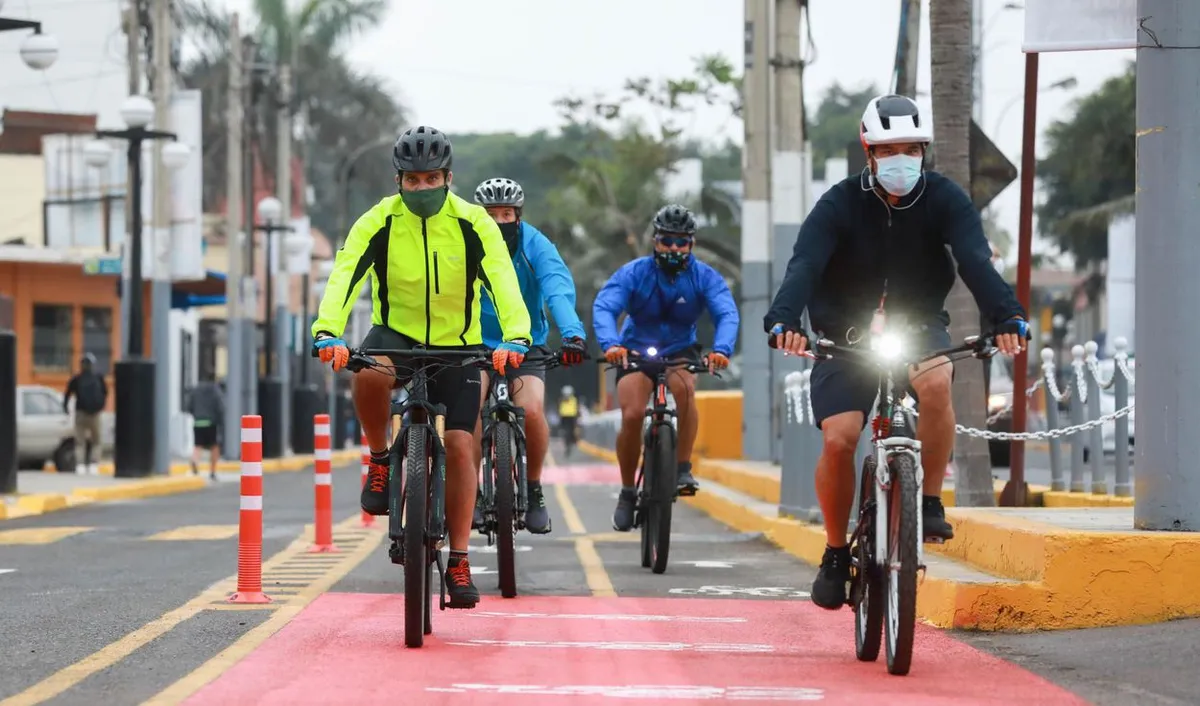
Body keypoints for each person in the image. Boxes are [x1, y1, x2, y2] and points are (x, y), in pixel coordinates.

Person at [763, 94, 1030, 611]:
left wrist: (1007, 316)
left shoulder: (946, 199)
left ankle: (927, 499)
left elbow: (975, 260)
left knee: (934, 384)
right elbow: (804, 267)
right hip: (844, 334)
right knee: (840, 438)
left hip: (918, 322)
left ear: (924, 150)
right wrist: (783, 320)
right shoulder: (838, 204)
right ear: (869, 152)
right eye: (889, 149)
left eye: (911, 148)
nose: (901, 159)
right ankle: (836, 551)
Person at [311, 126, 532, 610]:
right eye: (413, 180)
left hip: (459, 343)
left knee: (459, 443)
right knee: (368, 373)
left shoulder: (475, 224)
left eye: (432, 178)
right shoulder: (377, 221)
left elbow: (502, 280)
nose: (422, 188)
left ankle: (458, 558)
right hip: (397, 335)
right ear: (399, 181)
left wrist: (516, 336)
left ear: (448, 178)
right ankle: (378, 459)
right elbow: (345, 273)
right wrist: (328, 331)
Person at [593, 204, 739, 532]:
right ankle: (628, 491)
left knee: (685, 391)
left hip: (679, 350)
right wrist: (611, 345)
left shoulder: (705, 277)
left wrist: (721, 350)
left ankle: (683, 466)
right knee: (631, 415)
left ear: (691, 244)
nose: (674, 248)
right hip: (632, 350)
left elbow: (726, 313)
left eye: (681, 242)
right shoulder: (634, 273)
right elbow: (605, 305)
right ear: (655, 241)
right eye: (667, 241)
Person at [470, 177, 587, 535]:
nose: (499, 222)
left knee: (533, 409)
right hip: (474, 341)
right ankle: (471, 491)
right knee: (468, 407)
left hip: (526, 342)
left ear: (518, 216)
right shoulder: (464, 241)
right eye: (491, 215)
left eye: (507, 214)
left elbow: (556, 288)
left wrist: (572, 333)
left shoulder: (536, 244)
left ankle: (534, 487)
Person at [63, 352, 106, 475]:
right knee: (96, 440)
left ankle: (80, 465)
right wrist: (100, 406)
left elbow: (67, 394)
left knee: (80, 441)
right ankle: (93, 465)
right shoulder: (98, 377)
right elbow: (105, 392)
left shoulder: (77, 379)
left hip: (80, 413)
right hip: (95, 414)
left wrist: (65, 408)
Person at [188, 377, 225, 481]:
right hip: (211, 422)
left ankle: (195, 461)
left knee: (198, 446)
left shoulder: (195, 390)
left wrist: (195, 415)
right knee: (214, 446)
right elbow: (220, 407)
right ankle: (212, 471)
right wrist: (220, 421)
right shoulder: (215, 391)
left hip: (198, 422)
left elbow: (189, 406)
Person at [557, 385, 580, 456]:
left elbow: (576, 408)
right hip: (564, 418)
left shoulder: (574, 400)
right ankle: (566, 440)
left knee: (573, 430)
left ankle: (574, 440)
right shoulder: (561, 400)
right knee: (564, 431)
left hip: (572, 418)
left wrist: (577, 416)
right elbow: (559, 408)